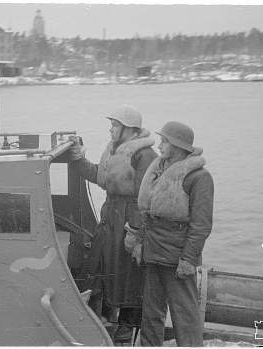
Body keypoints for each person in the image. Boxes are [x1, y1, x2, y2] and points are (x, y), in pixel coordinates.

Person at [68, 105, 157, 342]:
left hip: (129, 217)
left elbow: (144, 197)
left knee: (131, 273)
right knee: (102, 266)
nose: (110, 129)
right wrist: (78, 159)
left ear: (129, 129)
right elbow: (99, 176)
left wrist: (135, 232)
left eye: (115, 124)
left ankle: (127, 328)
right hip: (110, 216)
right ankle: (105, 318)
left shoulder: (145, 155)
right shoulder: (114, 150)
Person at [135, 121, 214, 346]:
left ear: (177, 146)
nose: (160, 145)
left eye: (164, 141)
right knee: (150, 313)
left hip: (177, 258)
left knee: (185, 315)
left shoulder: (199, 178)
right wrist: (140, 242)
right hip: (153, 252)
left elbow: (201, 226)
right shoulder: (159, 171)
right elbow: (147, 213)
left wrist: (188, 260)